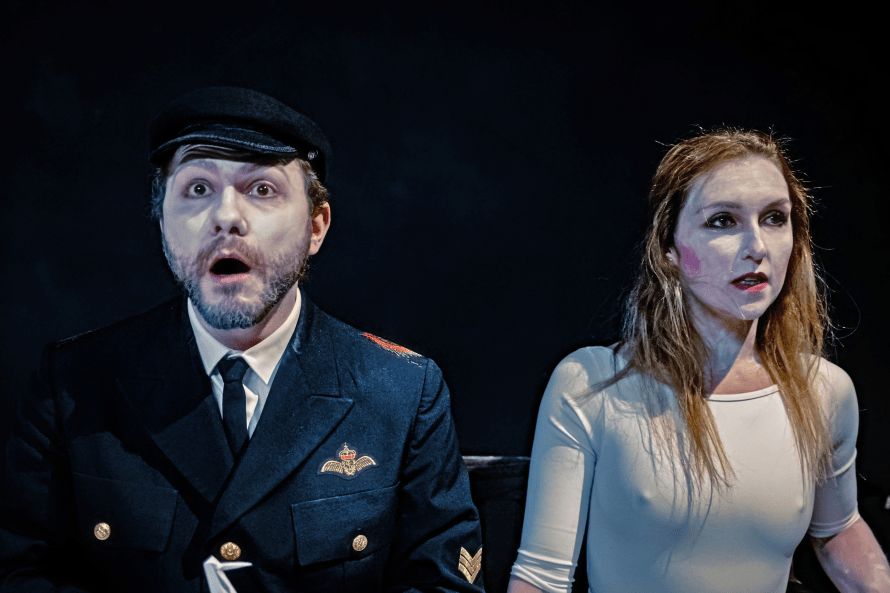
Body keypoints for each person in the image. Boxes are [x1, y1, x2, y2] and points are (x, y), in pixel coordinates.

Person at [0, 87, 485, 592]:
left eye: (262, 189)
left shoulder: (402, 393)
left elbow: (442, 584)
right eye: (197, 189)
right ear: (162, 221)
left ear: (316, 226)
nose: (226, 216)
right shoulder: (75, 384)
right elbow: (20, 571)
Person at [507, 129, 890, 593]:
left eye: (774, 218)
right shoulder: (592, 384)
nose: (758, 247)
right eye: (723, 221)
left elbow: (837, 529)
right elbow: (540, 578)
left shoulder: (823, 390)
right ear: (668, 249)